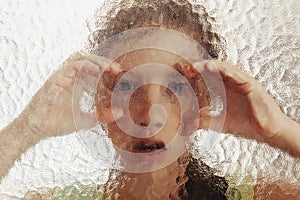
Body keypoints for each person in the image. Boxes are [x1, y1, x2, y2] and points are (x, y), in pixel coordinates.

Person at [0, 0, 299, 199]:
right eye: (128, 86)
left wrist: (279, 130)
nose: (147, 115)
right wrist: (28, 129)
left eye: (176, 88)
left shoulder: (256, 195)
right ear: (102, 95)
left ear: (202, 98)